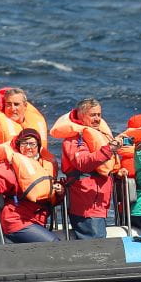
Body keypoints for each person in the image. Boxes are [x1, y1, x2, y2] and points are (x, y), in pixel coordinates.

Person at [49, 98, 121, 239]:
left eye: (99, 115)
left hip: (97, 203)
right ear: (81, 116)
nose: (97, 119)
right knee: (94, 242)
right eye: (93, 115)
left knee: (98, 239)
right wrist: (109, 149)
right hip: (85, 204)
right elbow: (82, 162)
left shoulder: (99, 134)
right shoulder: (74, 139)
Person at [0, 129, 64, 243]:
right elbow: (0, 178)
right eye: (24, 143)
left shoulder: (46, 165)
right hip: (17, 221)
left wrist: (60, 192)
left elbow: (51, 198)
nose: (28, 147)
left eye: (32, 144)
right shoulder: (12, 165)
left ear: (38, 146)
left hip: (36, 220)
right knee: (54, 245)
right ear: (18, 146)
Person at [0, 87, 50, 157]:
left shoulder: (36, 123)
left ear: (25, 106)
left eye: (16, 104)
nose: (13, 109)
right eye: (8, 105)